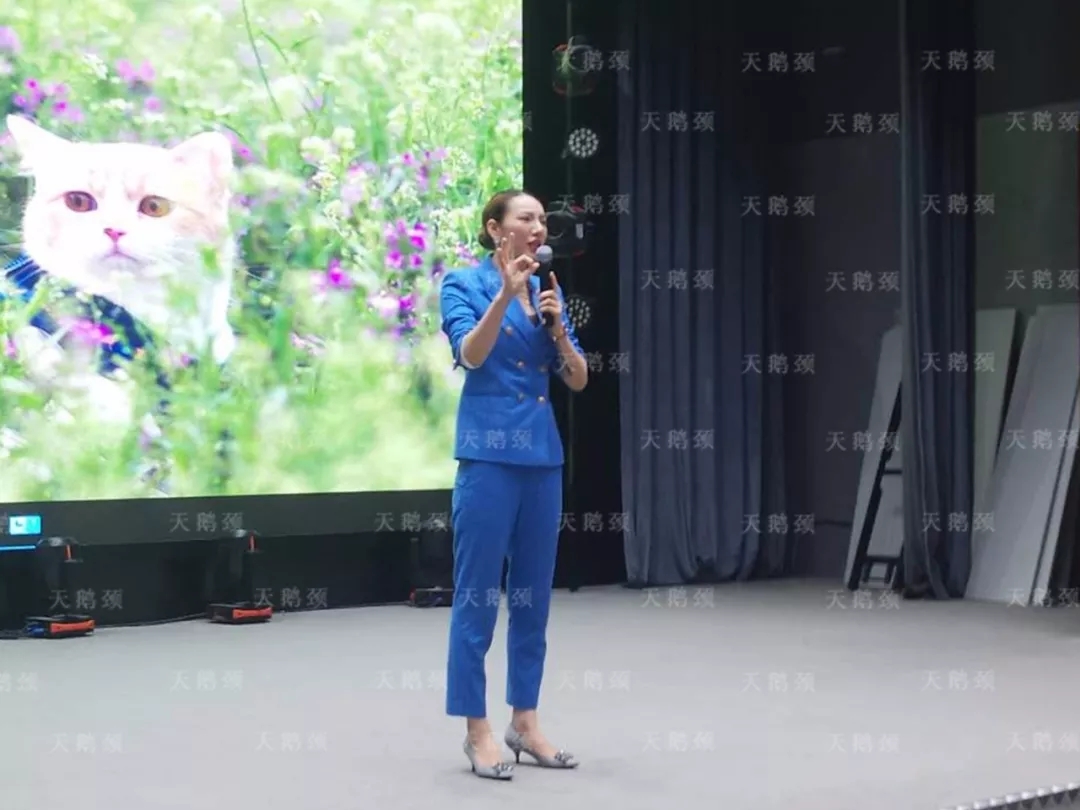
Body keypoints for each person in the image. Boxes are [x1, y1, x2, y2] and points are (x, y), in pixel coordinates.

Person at [439, 189, 589, 780]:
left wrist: (557, 331)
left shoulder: (550, 290)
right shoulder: (463, 284)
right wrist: (505, 294)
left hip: (541, 458)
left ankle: (525, 721)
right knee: (476, 596)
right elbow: (470, 355)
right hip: (488, 457)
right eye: (526, 217)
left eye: (542, 219)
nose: (538, 226)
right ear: (494, 228)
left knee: (533, 597)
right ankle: (476, 730)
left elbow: (578, 379)